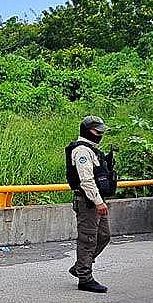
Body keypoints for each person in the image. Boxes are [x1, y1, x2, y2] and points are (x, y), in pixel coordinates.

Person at [65, 116, 116, 293]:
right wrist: (98, 201)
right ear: (88, 130)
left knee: (104, 235)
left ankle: (80, 266)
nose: (100, 134)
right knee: (88, 239)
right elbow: (86, 180)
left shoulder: (93, 150)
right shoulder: (81, 151)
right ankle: (85, 278)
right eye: (97, 131)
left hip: (96, 201)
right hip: (88, 202)